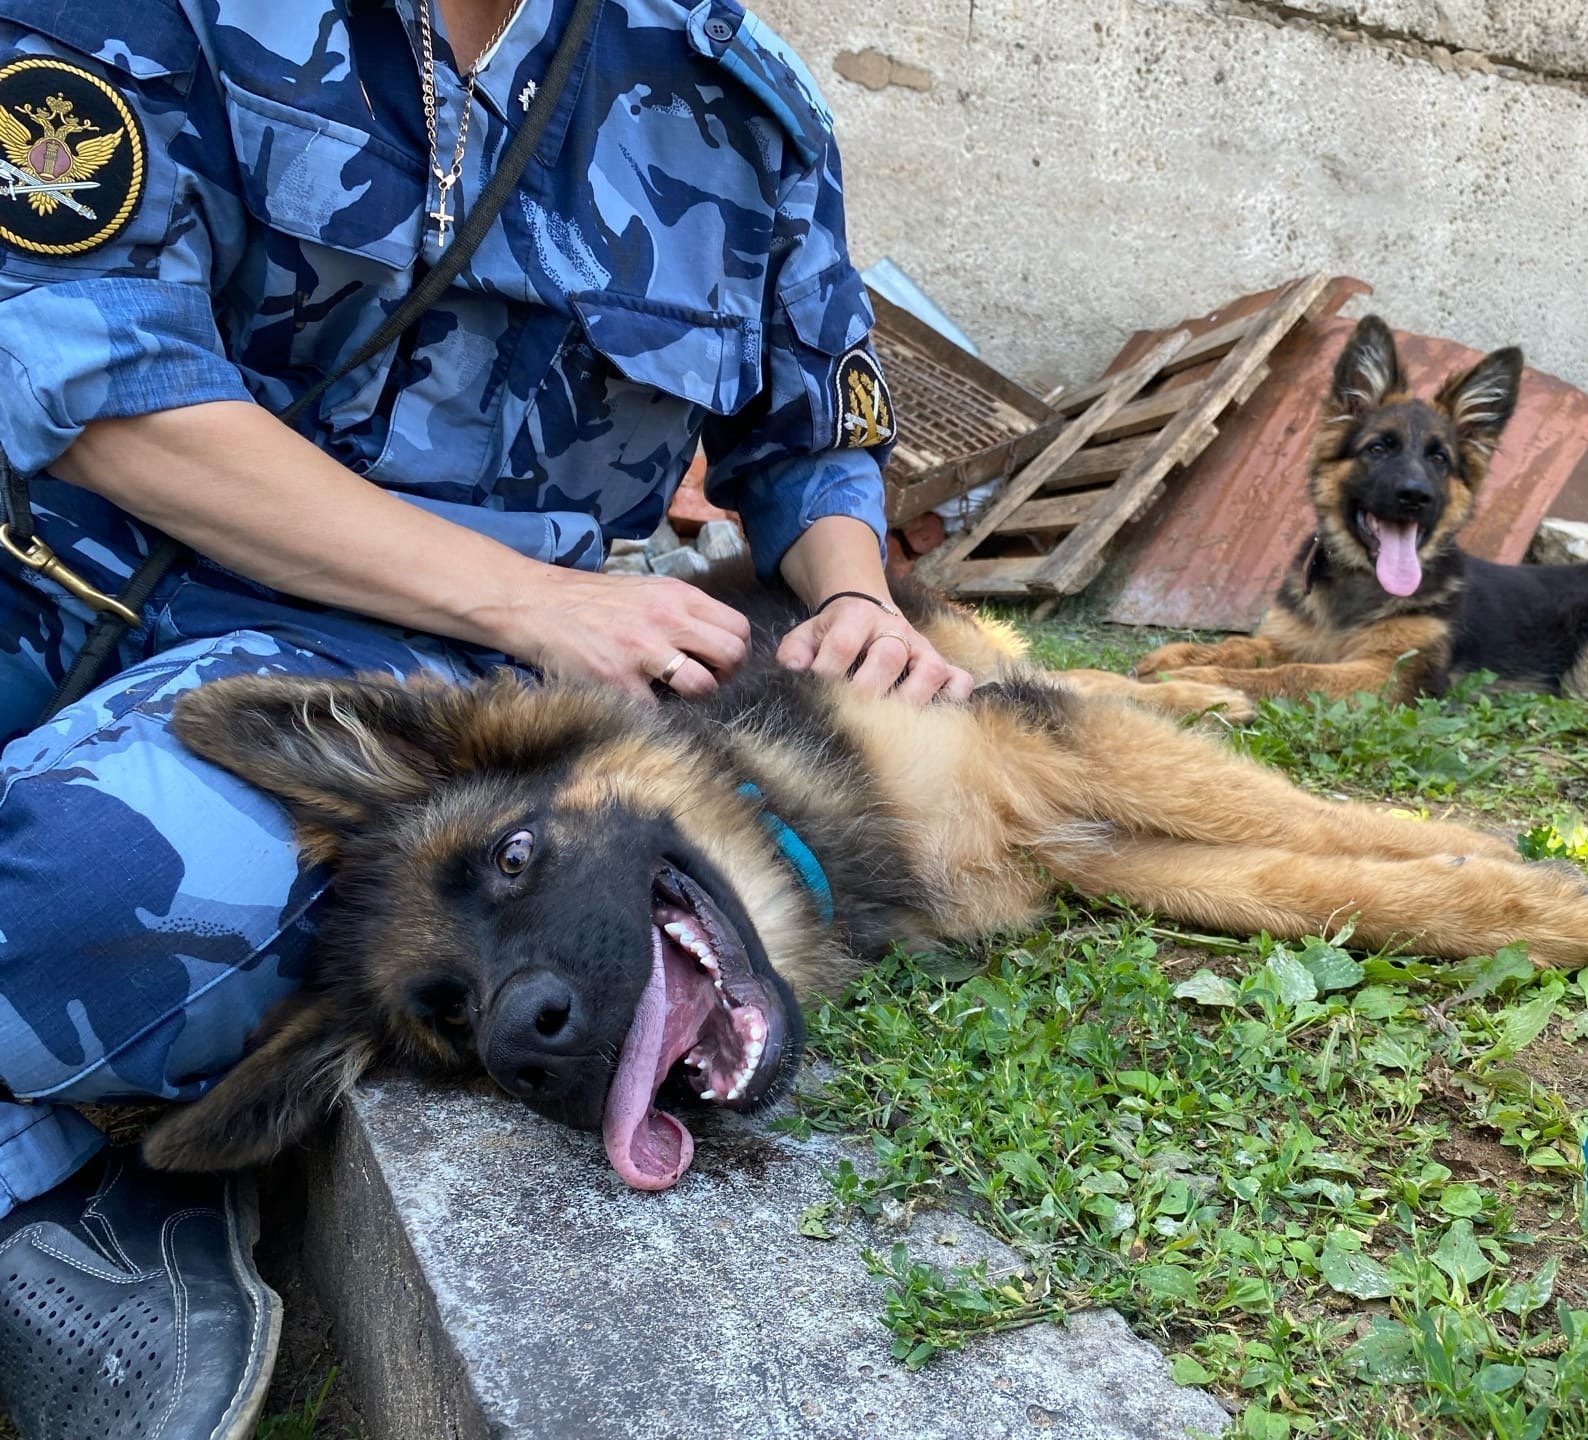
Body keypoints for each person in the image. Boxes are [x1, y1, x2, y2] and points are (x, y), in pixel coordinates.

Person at [0, 1, 968, 1434]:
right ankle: (78, 1158)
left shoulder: (737, 96)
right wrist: (533, 597)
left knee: (93, 885)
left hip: (412, 668)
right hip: (58, 580)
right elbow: (101, 383)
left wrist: (855, 597)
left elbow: (813, 429)